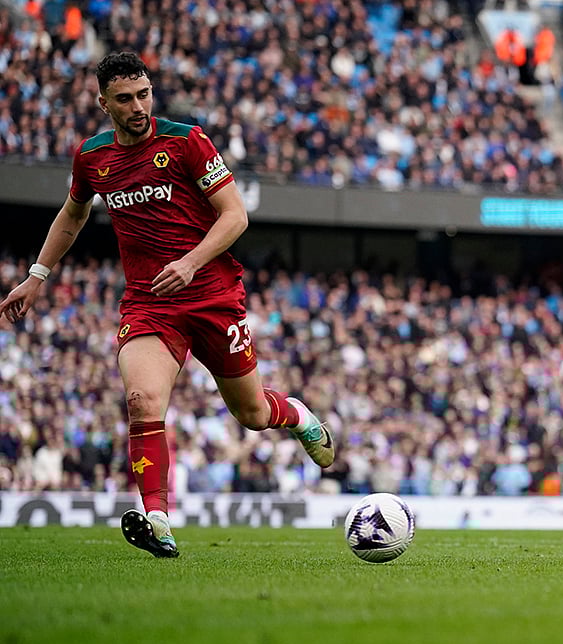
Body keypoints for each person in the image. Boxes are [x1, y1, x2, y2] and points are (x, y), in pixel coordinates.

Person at [0, 52, 335, 558]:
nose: (137, 106)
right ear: (103, 102)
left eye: (143, 94)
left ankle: (297, 416)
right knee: (141, 401)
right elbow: (72, 215)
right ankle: (158, 517)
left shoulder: (186, 141)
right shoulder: (92, 157)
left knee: (250, 412)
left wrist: (192, 262)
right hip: (149, 303)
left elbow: (235, 215)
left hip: (213, 296)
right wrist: (36, 276)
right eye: (124, 99)